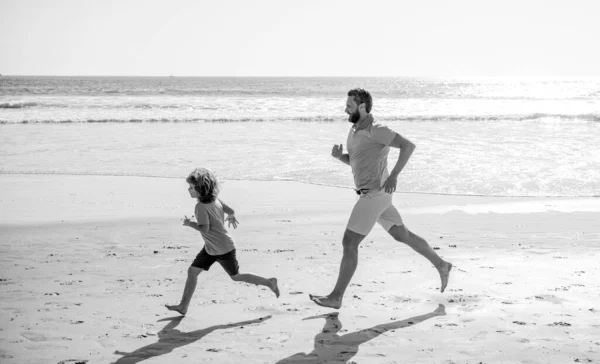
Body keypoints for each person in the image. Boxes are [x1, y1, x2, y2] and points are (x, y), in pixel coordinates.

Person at [309, 88, 452, 309]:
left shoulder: (377, 130)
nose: (345, 109)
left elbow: (408, 146)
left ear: (362, 106)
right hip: (378, 196)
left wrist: (394, 175)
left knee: (349, 242)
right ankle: (441, 265)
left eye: (349, 105)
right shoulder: (355, 131)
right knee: (401, 234)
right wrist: (340, 157)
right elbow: (358, 162)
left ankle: (336, 297)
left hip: (374, 195)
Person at [166, 168, 280, 315]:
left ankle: (269, 282)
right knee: (192, 272)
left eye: (191, 187)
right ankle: (183, 306)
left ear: (201, 189)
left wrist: (189, 224)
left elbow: (204, 229)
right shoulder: (215, 200)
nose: (188, 190)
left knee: (236, 277)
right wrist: (231, 216)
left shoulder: (200, 207)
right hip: (212, 248)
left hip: (222, 249)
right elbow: (231, 210)